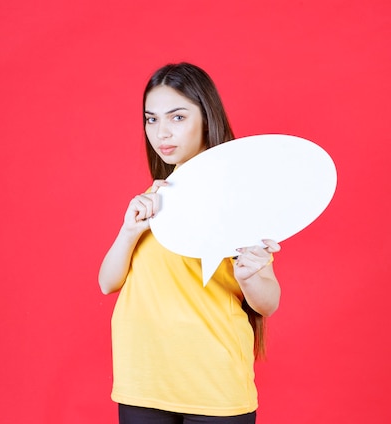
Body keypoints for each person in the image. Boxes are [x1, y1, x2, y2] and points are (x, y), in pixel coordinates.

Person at [98, 62, 282, 424]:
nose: (161, 132)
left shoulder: (237, 198)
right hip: (144, 380)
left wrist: (249, 276)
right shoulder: (155, 195)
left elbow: (269, 302)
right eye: (151, 119)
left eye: (177, 117)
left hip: (212, 385)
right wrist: (129, 230)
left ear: (206, 117)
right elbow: (107, 283)